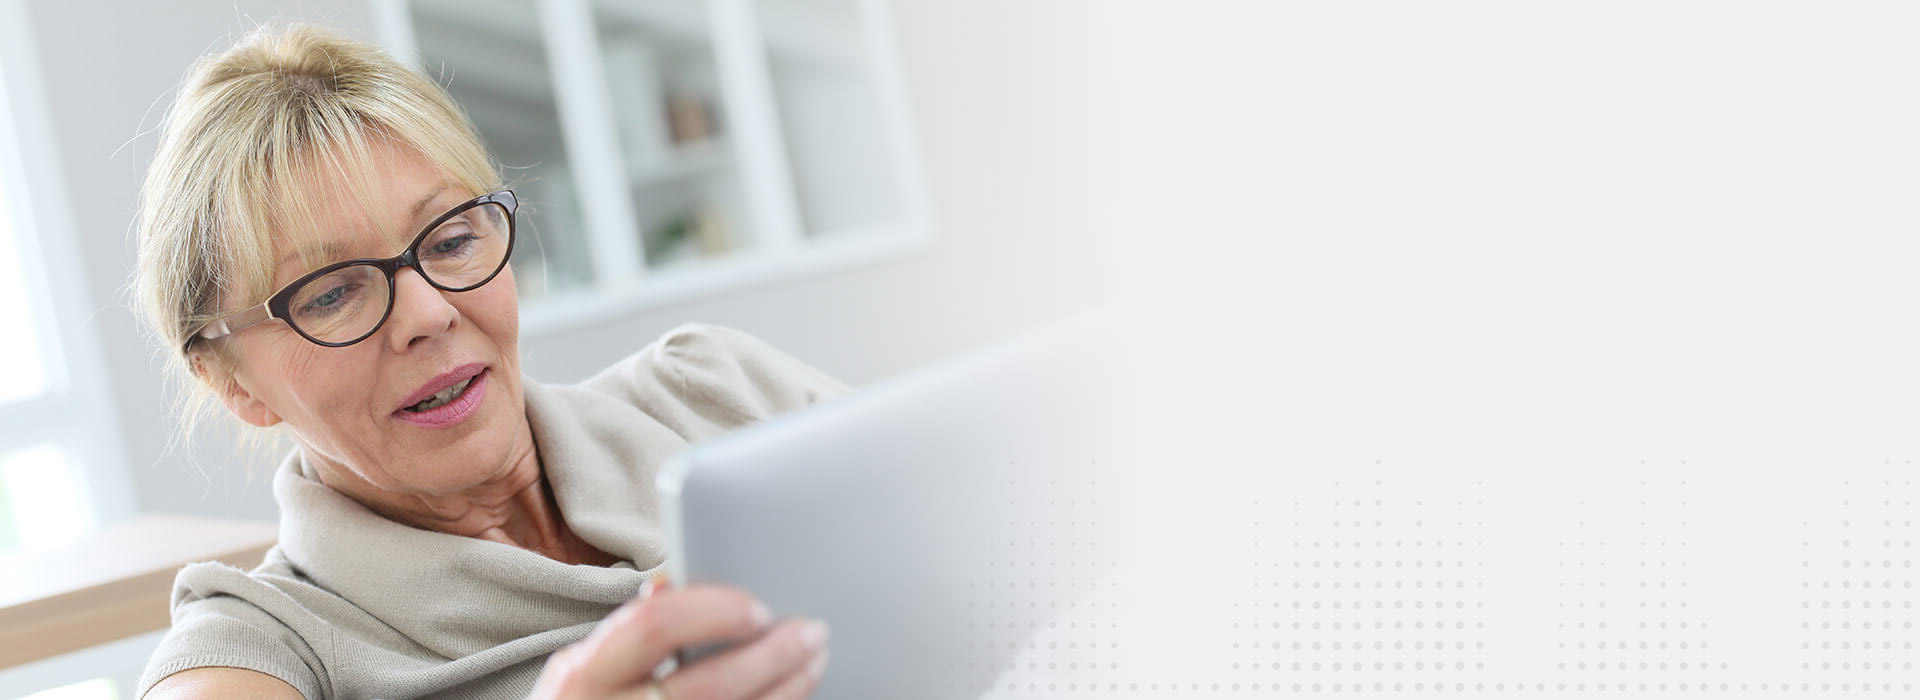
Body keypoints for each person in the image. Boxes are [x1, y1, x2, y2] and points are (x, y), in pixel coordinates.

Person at [131, 23, 842, 700]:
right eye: (333, 293)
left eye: (449, 241)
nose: (430, 313)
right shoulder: (264, 645)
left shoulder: (712, 390)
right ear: (232, 383)